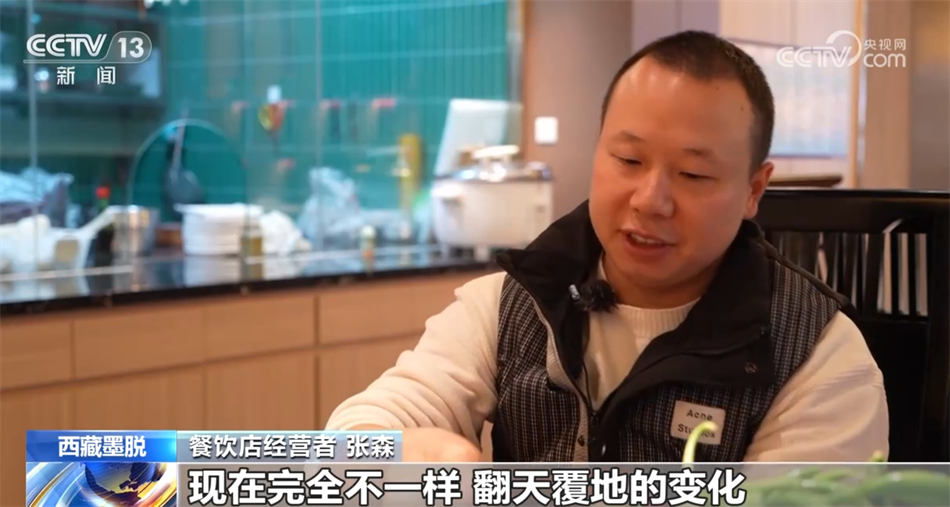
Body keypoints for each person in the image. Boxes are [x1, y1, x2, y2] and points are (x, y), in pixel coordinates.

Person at [325, 30, 889, 463]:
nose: (651, 200)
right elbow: (363, 428)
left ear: (753, 191)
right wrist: (399, 454)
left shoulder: (819, 359)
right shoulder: (512, 304)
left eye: (693, 174)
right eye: (628, 160)